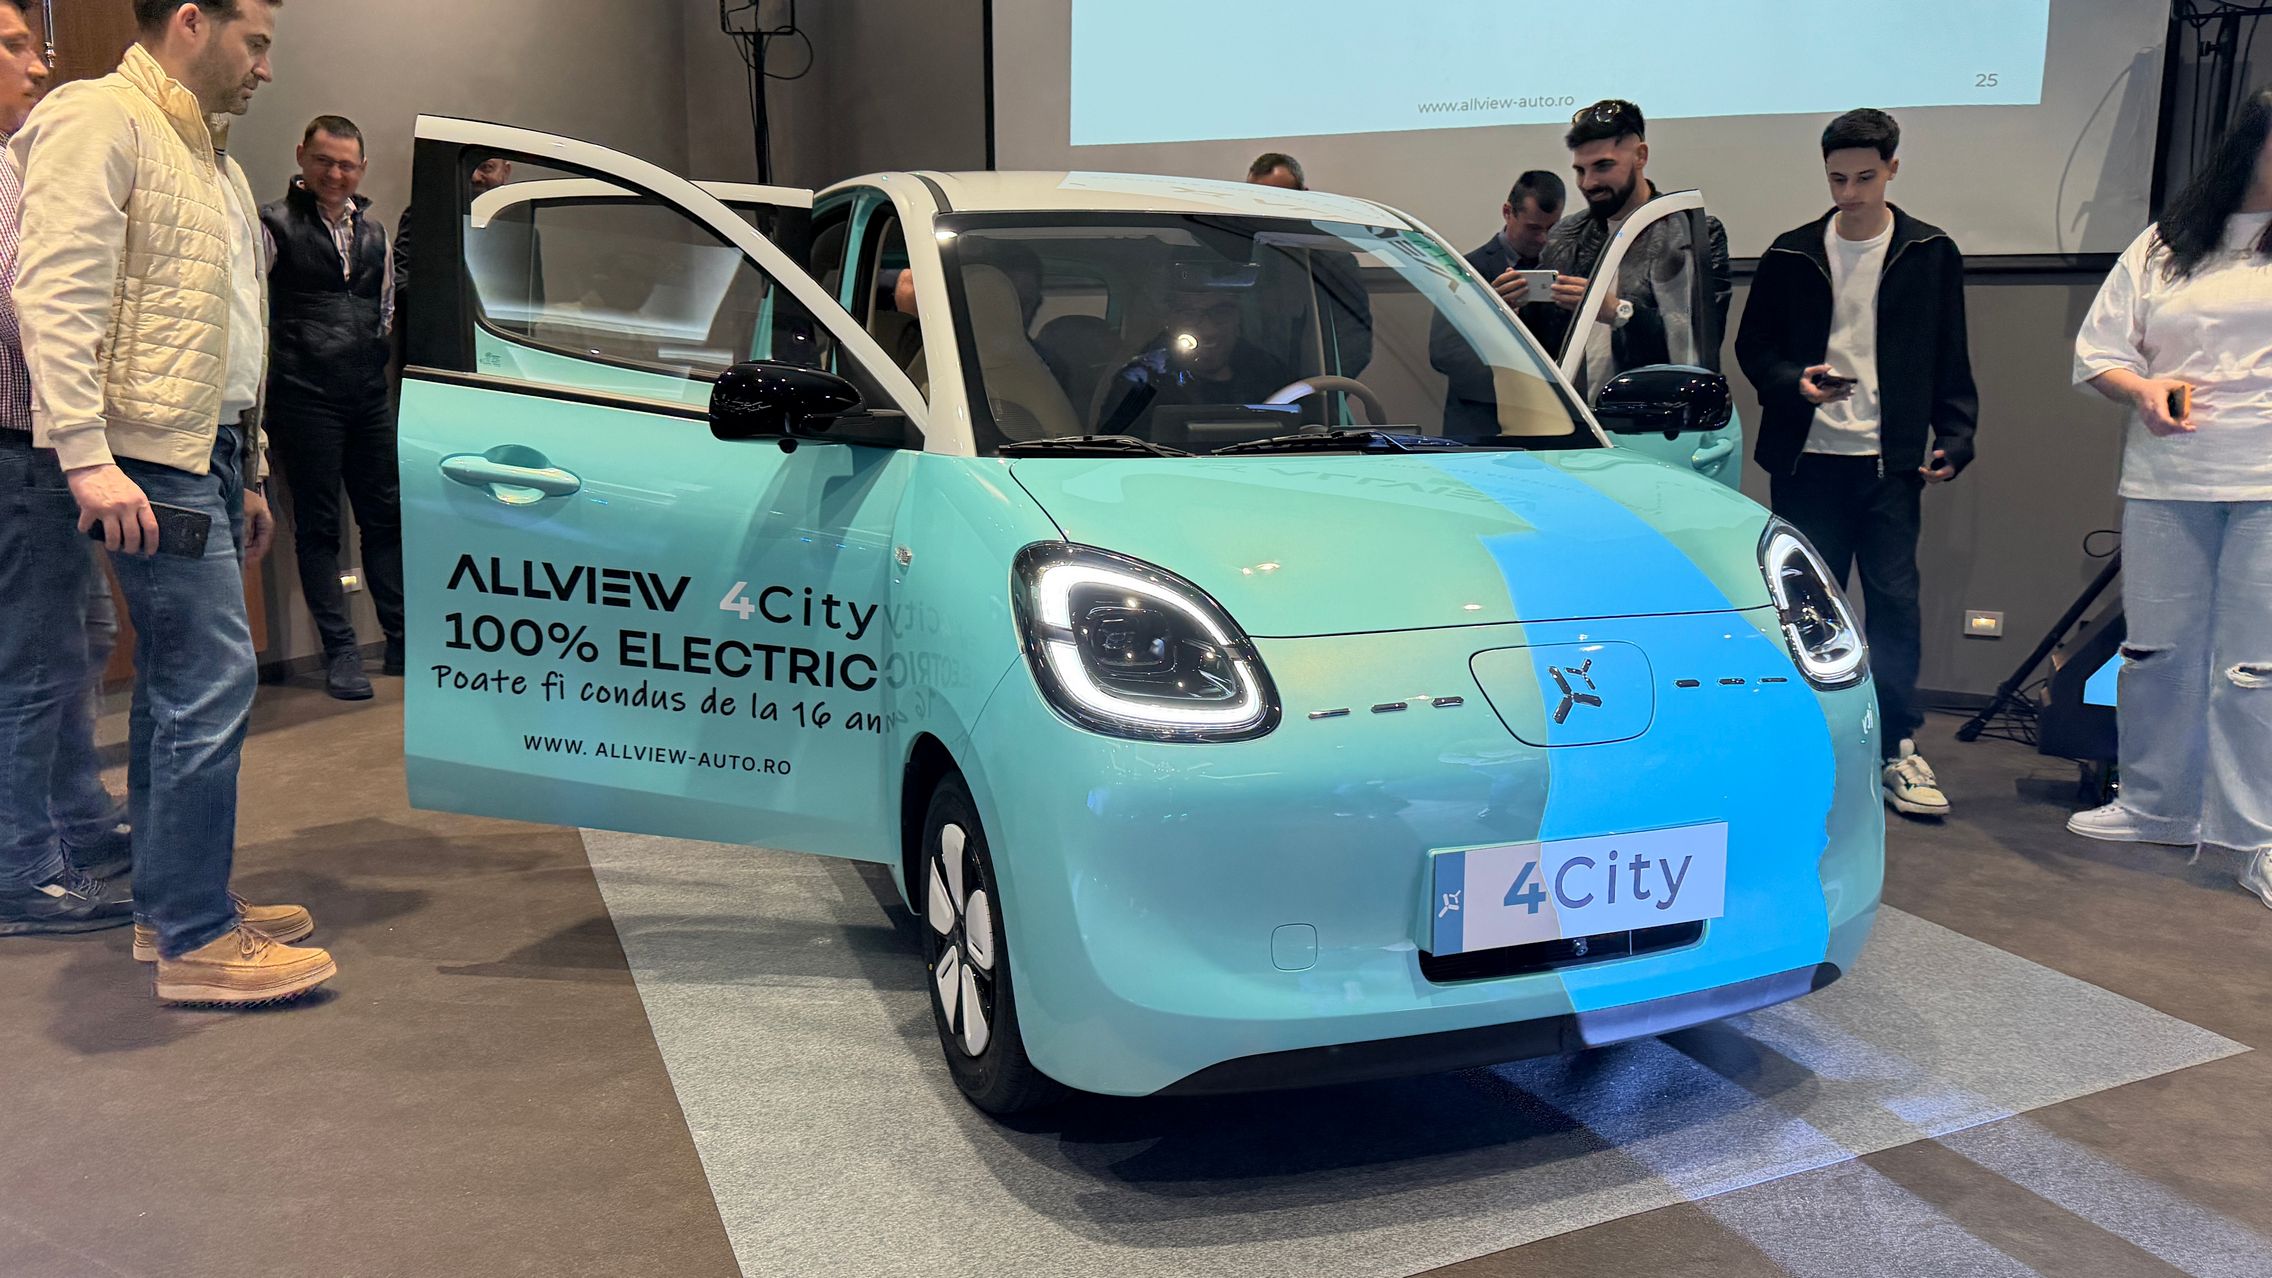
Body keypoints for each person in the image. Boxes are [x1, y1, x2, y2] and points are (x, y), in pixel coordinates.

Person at [14, 0, 335, 1003]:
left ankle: (172, 907)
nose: (266, 68)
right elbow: (53, 291)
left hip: (206, 450)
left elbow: (235, 328)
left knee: (178, 684)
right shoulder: (97, 117)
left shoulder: (214, 161)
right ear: (192, 20)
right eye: (256, 42)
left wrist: (251, 464)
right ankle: (197, 938)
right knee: (209, 677)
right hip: (146, 457)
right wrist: (84, 455)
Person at [1736, 108, 1978, 819]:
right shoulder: (1790, 254)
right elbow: (1754, 349)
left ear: (1892, 168)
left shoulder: (1929, 251)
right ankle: (1807, 743)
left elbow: (1950, 352)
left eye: (1865, 178)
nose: (1850, 192)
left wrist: (1955, 433)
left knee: (1894, 604)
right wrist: (1794, 382)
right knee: (1804, 609)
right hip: (1807, 461)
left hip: (1888, 465)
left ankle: (1897, 747)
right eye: (1837, 179)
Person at [2069, 85, 2272, 908]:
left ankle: (2255, 836)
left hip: (2266, 480)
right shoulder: (2164, 245)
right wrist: (2143, 390)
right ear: (2251, 146)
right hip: (2167, 477)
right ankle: (2156, 805)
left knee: (2256, 669)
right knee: (2155, 654)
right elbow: (2099, 352)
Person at [0, 0, 137, 938]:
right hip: (20, 453)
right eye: (14, 46)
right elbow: (33, 309)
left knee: (81, 640)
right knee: (34, 665)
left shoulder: (16, 163)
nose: (40, 65)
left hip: (41, 453)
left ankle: (79, 822)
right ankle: (20, 870)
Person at [263, 113, 401, 700]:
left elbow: (384, 311)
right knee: (318, 530)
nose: (335, 174)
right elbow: (254, 312)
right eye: (324, 161)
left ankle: (401, 642)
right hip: (303, 399)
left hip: (367, 396)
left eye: (346, 165)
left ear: (362, 168)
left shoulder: (375, 233)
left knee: (385, 520)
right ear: (302, 156)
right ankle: (342, 654)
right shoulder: (272, 225)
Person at [1526, 99, 1731, 394]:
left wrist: (1619, 313)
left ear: (1640, 155)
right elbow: (1545, 345)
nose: (1588, 183)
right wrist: (1510, 311)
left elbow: (1696, 346)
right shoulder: (1565, 235)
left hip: (1654, 412)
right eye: (1580, 170)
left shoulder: (1693, 233)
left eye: (1603, 166)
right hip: (1575, 413)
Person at [1434, 170, 1566, 436]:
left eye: (1552, 228)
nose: (1543, 238)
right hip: (1479, 424)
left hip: (1548, 422)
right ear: (1508, 212)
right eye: (1533, 228)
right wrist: (1490, 315)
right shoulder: (1464, 270)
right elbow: (1443, 353)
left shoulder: (1562, 270)